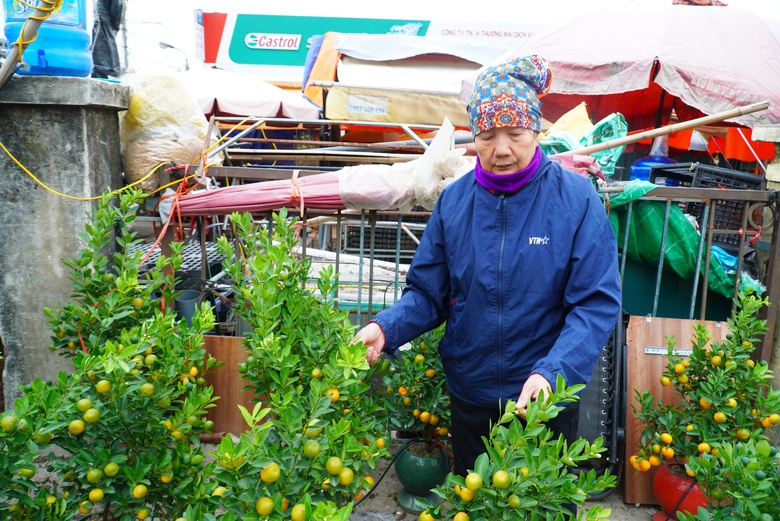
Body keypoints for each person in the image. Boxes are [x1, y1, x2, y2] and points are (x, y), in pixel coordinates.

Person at [355, 54, 622, 478]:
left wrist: (552, 374)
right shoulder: (455, 203)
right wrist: (386, 327)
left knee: (540, 505)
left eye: (515, 133)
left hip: (543, 400)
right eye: (487, 135)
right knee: (474, 499)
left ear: (536, 130)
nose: (501, 149)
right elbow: (428, 294)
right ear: (473, 135)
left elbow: (594, 304)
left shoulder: (575, 200)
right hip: (472, 393)